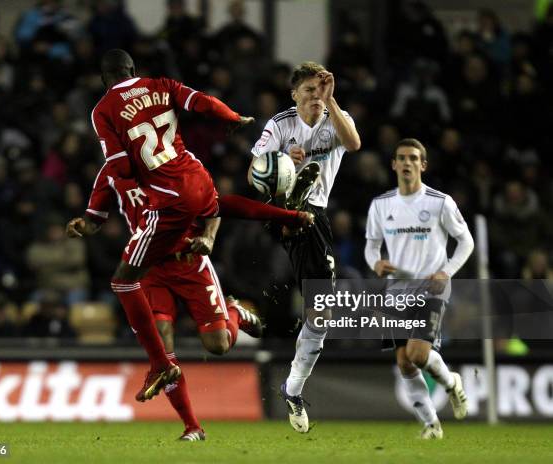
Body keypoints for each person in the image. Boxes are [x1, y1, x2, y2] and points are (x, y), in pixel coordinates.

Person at [77, 49, 311, 403]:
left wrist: (133, 171)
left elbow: (121, 168)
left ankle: (228, 313)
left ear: (102, 78)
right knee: (213, 207)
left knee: (129, 284)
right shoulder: (162, 86)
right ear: (133, 70)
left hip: (178, 231)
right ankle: (185, 413)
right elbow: (202, 102)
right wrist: (234, 117)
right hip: (177, 214)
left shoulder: (103, 113)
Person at [68, 165, 262, 441]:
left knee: (217, 345)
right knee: (163, 346)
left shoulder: (172, 163)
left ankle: (234, 313)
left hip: (189, 263)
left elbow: (212, 205)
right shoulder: (111, 172)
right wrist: (82, 227)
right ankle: (192, 426)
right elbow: (94, 218)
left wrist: (208, 236)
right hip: (148, 267)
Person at [249, 61, 361, 432]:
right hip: (283, 209)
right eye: (309, 91)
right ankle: (292, 197)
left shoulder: (335, 118)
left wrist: (334, 100)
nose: (316, 97)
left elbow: (354, 144)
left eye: (320, 90)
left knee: (321, 313)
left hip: (316, 219)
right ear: (294, 94)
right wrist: (280, 161)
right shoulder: (280, 124)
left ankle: (293, 389)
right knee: (294, 201)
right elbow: (254, 171)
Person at [364, 138, 474, 439]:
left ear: (422, 164)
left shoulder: (440, 202)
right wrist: (376, 264)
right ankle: (431, 424)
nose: (408, 162)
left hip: (431, 289)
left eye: (414, 158)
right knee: (403, 361)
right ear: (394, 165)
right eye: (402, 158)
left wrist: (446, 271)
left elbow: (466, 241)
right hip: (396, 291)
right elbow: (371, 247)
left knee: (418, 353)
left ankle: (452, 383)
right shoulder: (381, 205)